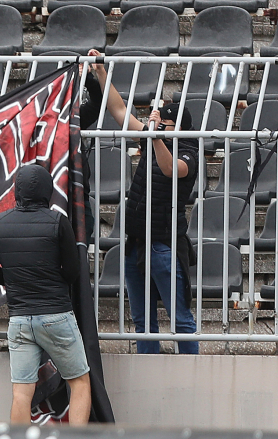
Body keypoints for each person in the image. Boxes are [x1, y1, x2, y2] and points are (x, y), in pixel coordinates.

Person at [89, 49, 199, 354]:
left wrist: (155, 136)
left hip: (164, 246)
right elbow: (119, 111)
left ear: (179, 127)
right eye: (158, 122)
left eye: (165, 123)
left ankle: (189, 371)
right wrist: (101, 72)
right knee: (142, 322)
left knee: (180, 321)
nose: (159, 126)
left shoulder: (189, 150)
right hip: (136, 243)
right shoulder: (154, 138)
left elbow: (171, 169)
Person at [0, 164, 92, 426]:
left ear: (17, 190)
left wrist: (15, 280)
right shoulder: (57, 221)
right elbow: (72, 271)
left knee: (21, 392)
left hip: (19, 319)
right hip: (56, 316)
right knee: (79, 382)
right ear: (47, 190)